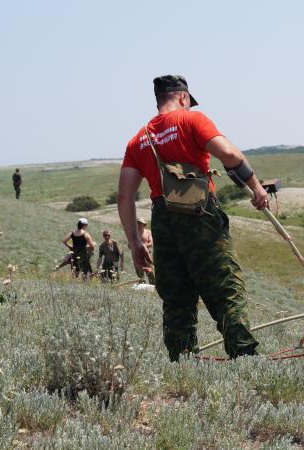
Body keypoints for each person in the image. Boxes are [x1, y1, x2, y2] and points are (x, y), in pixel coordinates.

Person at [118, 75, 268, 361]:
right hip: (199, 213)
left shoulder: (138, 140)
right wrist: (257, 188)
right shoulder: (191, 120)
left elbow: (125, 198)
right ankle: (246, 358)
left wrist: (136, 242)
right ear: (183, 98)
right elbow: (229, 154)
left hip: (164, 219)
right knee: (225, 287)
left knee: (176, 298)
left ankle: (183, 364)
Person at [134, 218, 155, 285]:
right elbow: (129, 245)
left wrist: (143, 246)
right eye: (138, 223)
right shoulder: (134, 233)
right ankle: (142, 287)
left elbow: (151, 243)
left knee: (150, 272)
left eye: (141, 223)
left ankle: (153, 286)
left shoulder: (148, 232)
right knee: (140, 274)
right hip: (137, 255)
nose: (139, 224)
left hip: (147, 254)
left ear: (144, 224)